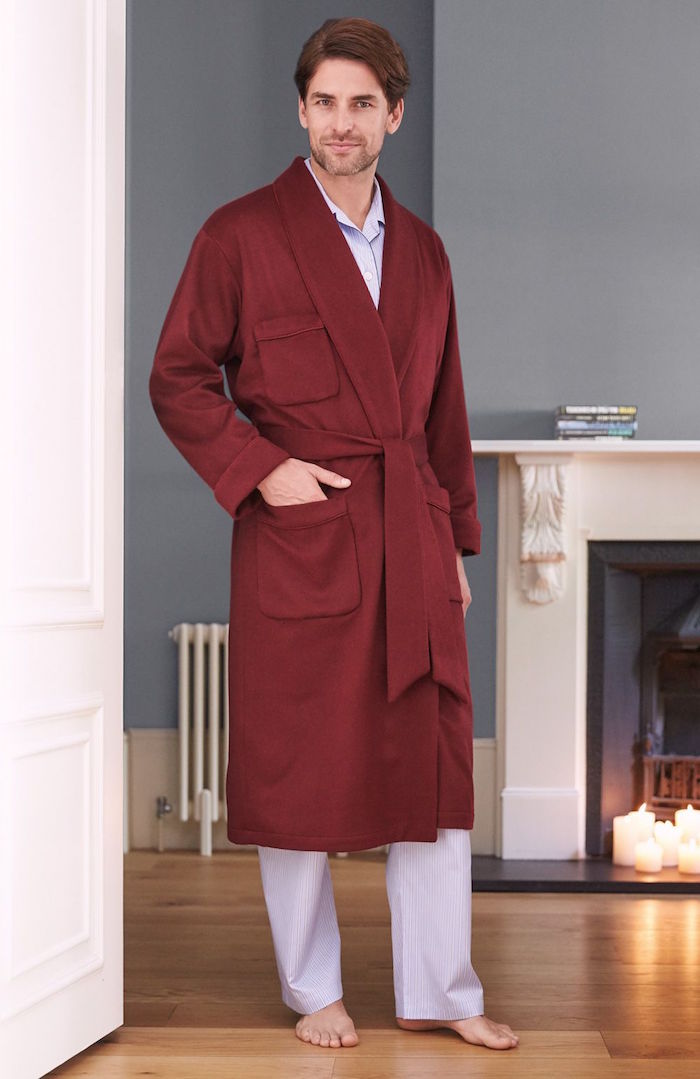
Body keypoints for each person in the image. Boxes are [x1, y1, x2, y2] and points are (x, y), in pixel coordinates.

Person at [149, 16, 519, 1053]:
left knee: (434, 769)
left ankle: (444, 989)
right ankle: (313, 987)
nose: (341, 122)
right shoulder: (239, 234)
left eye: (363, 104)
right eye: (324, 102)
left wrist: (452, 544)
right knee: (301, 765)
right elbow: (177, 375)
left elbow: (442, 413)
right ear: (300, 109)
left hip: (410, 530)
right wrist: (259, 467)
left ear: (393, 116)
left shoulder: (428, 256)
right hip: (302, 538)